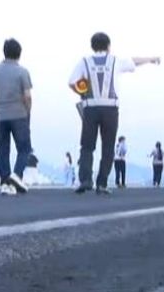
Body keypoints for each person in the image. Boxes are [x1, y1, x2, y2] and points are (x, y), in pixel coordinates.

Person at [68, 32, 159, 195]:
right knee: (108, 146)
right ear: (108, 46)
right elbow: (134, 61)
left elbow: (72, 82)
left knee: (87, 146)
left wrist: (84, 91)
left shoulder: (84, 62)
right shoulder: (115, 61)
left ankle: (85, 180)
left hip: (90, 107)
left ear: (92, 46)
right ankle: (101, 183)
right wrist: (150, 59)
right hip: (110, 108)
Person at [0, 38, 34, 196]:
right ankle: (16, 176)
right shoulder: (22, 72)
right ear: (19, 54)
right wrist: (28, 111)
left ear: (4, 52)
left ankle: (5, 183)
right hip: (19, 114)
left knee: (2, 150)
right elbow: (28, 96)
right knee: (24, 148)